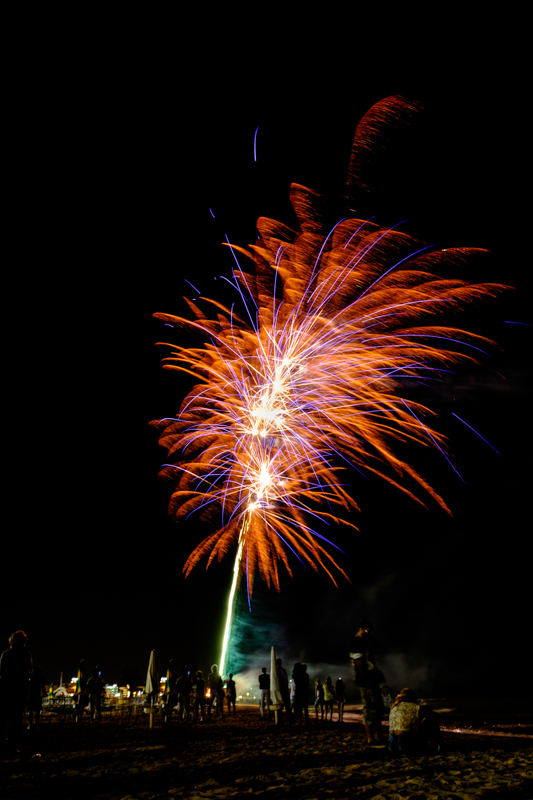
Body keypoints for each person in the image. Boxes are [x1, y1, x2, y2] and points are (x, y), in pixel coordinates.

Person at [350, 618, 385, 745]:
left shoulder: (362, 642)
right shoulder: (357, 642)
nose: (370, 633)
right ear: (362, 628)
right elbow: (360, 665)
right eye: (368, 631)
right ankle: (371, 739)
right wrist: (368, 683)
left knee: (376, 709)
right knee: (370, 710)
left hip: (370, 679)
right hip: (366, 681)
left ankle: (379, 737)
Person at [0, 630, 33, 751]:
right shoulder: (26, 655)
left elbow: (3, 674)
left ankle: (3, 741)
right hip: (20, 691)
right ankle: (13, 745)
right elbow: (27, 674)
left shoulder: (6, 654)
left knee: (3, 718)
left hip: (6, 690)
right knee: (16, 719)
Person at [388, 688, 444, 755]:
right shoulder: (416, 707)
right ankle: (441, 745)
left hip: (393, 748)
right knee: (430, 721)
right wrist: (426, 709)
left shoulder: (394, 708)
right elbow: (436, 717)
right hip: (408, 747)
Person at [276, 657, 292, 724]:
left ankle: (279, 719)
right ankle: (290, 720)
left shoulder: (274, 671)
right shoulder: (283, 670)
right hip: (283, 689)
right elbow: (285, 680)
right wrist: (286, 688)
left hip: (277, 689)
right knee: (287, 705)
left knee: (279, 704)